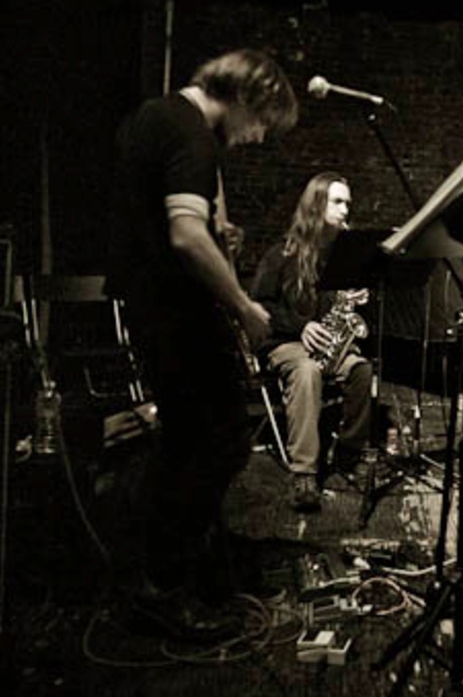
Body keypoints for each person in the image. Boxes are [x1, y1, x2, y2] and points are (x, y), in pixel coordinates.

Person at [108, 49, 299, 641]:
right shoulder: (193, 133)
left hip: (154, 305)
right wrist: (243, 306)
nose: (258, 137)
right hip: (176, 313)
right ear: (245, 97)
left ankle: (185, 569)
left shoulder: (158, 117)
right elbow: (187, 235)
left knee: (190, 442)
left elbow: (171, 219)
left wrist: (223, 238)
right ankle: (162, 586)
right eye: (262, 122)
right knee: (217, 442)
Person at [250, 172, 373, 513]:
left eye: (348, 203)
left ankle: (348, 455)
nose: (346, 210)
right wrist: (301, 327)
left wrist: (358, 298)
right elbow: (259, 305)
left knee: (362, 370)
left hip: (327, 343)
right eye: (338, 201)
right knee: (307, 371)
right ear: (316, 204)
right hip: (285, 343)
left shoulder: (343, 257)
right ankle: (304, 473)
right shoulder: (281, 253)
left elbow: (341, 308)